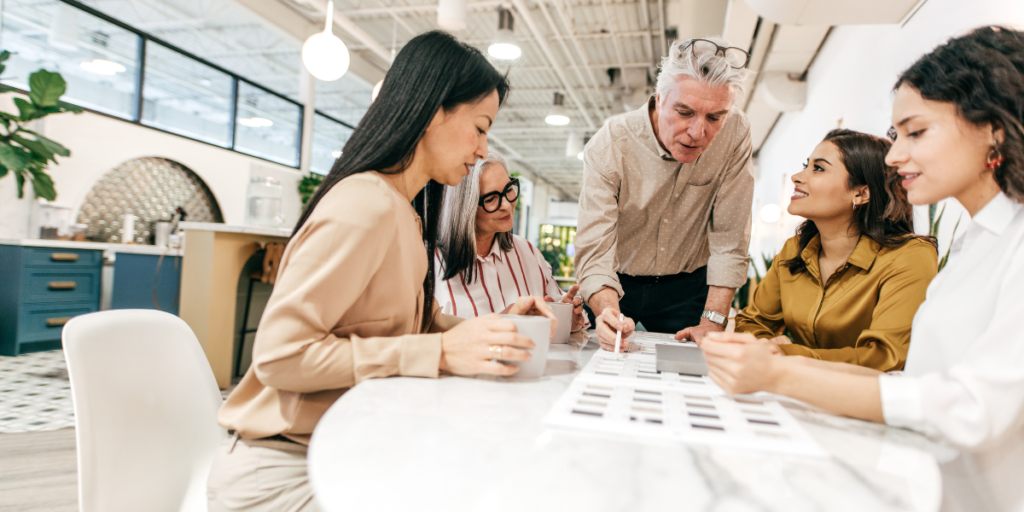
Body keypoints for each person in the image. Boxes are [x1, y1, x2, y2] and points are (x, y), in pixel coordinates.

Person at [208, 31, 556, 512]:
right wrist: (438, 351)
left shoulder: (404, 211)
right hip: (284, 466)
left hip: (343, 444)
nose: (482, 149)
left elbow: (422, 323)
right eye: (479, 127)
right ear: (434, 111)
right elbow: (279, 356)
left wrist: (493, 329)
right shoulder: (365, 205)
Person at [700, 26, 1024, 510]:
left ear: (992, 129)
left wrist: (779, 373)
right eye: (896, 136)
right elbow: (913, 385)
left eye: (917, 132)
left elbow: (972, 409)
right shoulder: (977, 243)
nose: (895, 156)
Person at [574, 37, 755, 351]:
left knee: (694, 373)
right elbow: (594, 249)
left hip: (688, 287)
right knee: (601, 361)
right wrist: (606, 310)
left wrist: (713, 321)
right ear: (659, 99)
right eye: (685, 112)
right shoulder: (612, 143)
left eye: (715, 118)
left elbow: (730, 237)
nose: (698, 133)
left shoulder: (736, 132)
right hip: (616, 283)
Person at [734, 129, 937, 371]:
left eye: (818, 168)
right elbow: (752, 321)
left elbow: (885, 356)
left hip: (866, 400)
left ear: (861, 193)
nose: (797, 177)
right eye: (805, 165)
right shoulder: (795, 251)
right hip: (798, 387)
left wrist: (789, 354)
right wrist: (768, 343)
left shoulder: (911, 256)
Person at [434, 151, 588, 330]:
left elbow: (559, 309)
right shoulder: (429, 261)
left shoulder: (527, 251)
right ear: (464, 208)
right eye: (491, 199)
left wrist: (568, 318)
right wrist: (505, 320)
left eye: (508, 190)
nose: (507, 205)